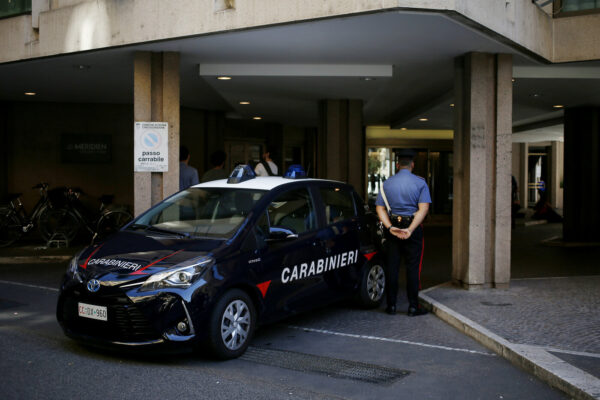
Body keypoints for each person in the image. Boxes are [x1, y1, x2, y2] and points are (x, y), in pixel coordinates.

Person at [375, 149, 431, 316]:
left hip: (393, 228)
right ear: (412, 164)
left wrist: (390, 227)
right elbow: (424, 209)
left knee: (392, 267)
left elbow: (380, 208)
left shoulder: (387, 184)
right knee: (413, 268)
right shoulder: (420, 183)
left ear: (397, 165)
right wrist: (410, 229)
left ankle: (391, 306)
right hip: (412, 229)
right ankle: (413, 307)